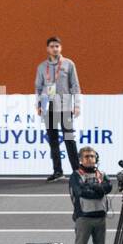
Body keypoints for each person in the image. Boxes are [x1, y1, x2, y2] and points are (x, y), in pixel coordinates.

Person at [35, 36, 82, 182]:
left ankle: (76, 171)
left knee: (69, 139)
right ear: (47, 49)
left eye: (57, 46)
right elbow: (38, 87)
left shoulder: (68, 64)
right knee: (53, 140)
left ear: (60, 48)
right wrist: (38, 105)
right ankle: (58, 171)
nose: (54, 48)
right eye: (52, 46)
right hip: (50, 106)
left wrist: (77, 104)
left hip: (66, 104)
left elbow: (75, 85)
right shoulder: (42, 67)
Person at [69, 147, 112, 244]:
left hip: (100, 217)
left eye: (92, 156)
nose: (90, 159)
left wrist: (94, 187)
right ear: (81, 159)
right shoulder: (76, 175)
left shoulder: (101, 174)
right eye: (86, 157)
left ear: (96, 158)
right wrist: (98, 190)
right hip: (84, 218)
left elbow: (108, 187)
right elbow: (81, 192)